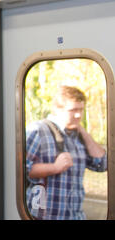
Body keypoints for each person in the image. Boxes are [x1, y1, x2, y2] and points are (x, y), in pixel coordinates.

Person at [26, 85, 107, 220]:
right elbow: (18, 170)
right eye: (73, 110)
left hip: (75, 216)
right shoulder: (38, 131)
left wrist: (83, 132)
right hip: (45, 216)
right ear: (57, 109)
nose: (78, 115)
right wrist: (54, 168)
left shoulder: (78, 136)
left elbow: (102, 164)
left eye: (81, 110)